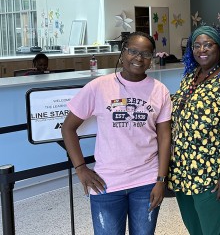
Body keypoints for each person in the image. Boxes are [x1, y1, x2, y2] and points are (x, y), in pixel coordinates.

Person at [61, 31, 172, 235]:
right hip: (106, 182)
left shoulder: (160, 91)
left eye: (146, 54)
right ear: (122, 53)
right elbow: (68, 127)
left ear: (152, 59)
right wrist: (80, 168)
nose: (138, 58)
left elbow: (165, 138)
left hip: (147, 182)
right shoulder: (99, 87)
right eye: (133, 51)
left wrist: (161, 180)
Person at [168, 25, 220, 235]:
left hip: (213, 174)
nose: (201, 50)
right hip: (184, 173)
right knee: (196, 230)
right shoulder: (190, 77)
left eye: (207, 45)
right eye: (196, 45)